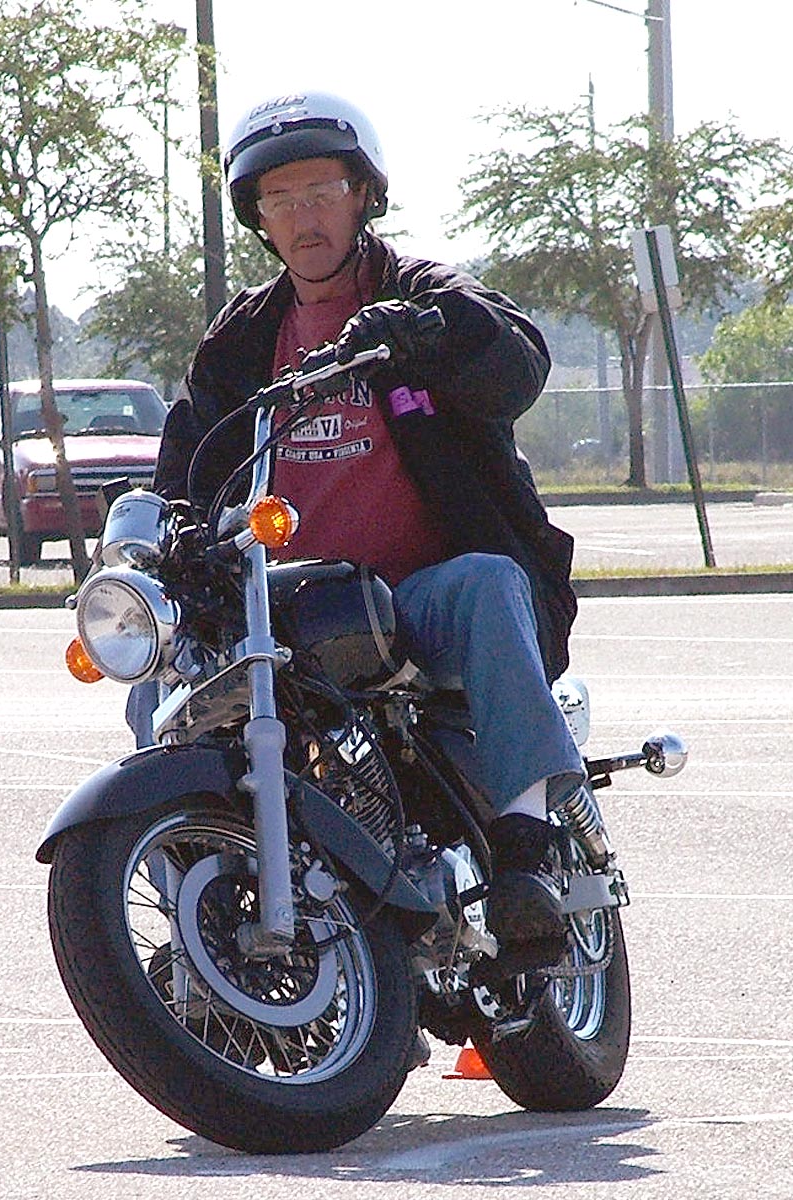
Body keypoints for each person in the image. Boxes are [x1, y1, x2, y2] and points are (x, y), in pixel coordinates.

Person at [143, 91, 585, 957]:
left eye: (321, 192)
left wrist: (426, 331)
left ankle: (525, 857)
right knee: (158, 668)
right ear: (258, 218)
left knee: (490, 580)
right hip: (286, 610)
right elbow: (187, 463)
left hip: (418, 599)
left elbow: (518, 364)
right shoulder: (242, 341)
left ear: (363, 196)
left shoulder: (420, 293)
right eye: (279, 198)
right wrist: (176, 536)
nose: (302, 216)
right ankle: (194, 903)